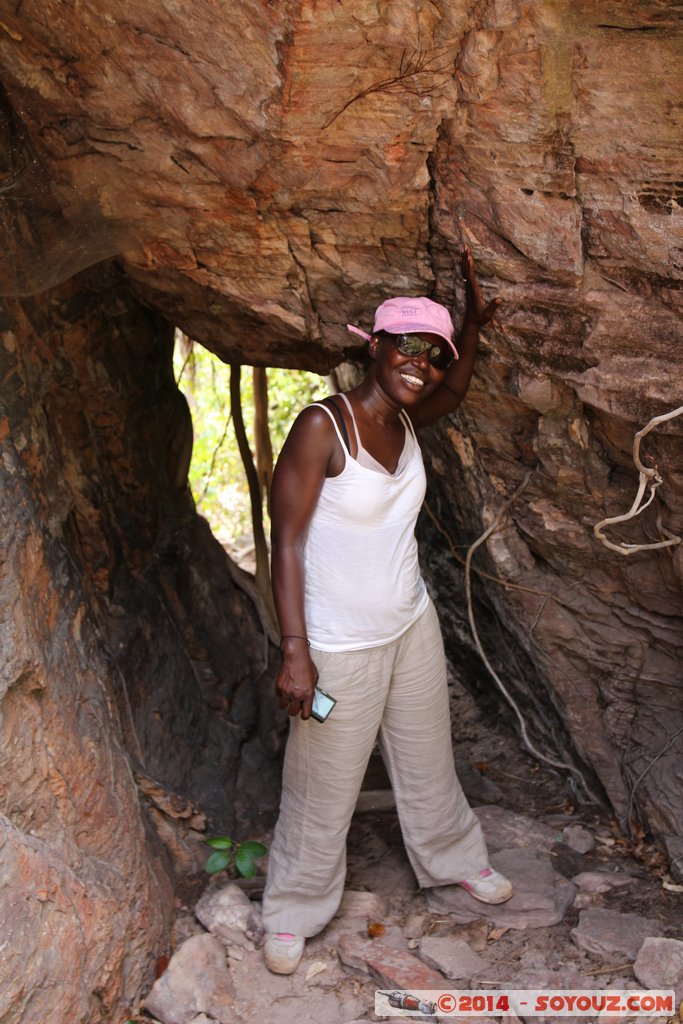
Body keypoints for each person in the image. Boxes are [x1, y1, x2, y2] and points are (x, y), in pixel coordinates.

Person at [261, 247, 513, 975]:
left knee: (427, 753)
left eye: (430, 357)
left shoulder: (405, 420)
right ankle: (292, 907)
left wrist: (468, 326)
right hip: (337, 643)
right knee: (322, 781)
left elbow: (457, 390)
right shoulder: (322, 428)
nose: (422, 366)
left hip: (408, 625)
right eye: (408, 348)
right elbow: (287, 543)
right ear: (373, 346)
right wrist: (295, 652)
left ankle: (453, 859)